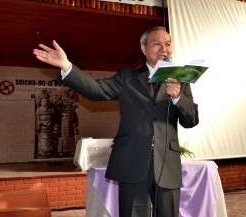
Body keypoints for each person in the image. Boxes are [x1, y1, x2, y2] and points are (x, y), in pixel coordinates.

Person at [33, 26, 199, 217]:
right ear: (144, 48)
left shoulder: (181, 80)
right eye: (157, 43)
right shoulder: (127, 77)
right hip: (132, 164)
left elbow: (191, 120)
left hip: (167, 165)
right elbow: (95, 90)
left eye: (168, 44)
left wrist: (178, 97)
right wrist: (66, 66)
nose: (164, 48)